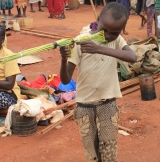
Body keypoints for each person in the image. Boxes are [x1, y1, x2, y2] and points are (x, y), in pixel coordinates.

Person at [59, 2, 137, 161]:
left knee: (109, 151)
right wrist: (63, 59)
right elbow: (66, 79)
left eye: (114, 33)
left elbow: (132, 57)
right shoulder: (82, 40)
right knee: (91, 152)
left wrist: (99, 48)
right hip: (84, 105)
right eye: (104, 30)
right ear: (97, 20)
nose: (108, 36)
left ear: (121, 30)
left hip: (108, 104)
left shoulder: (116, 39)